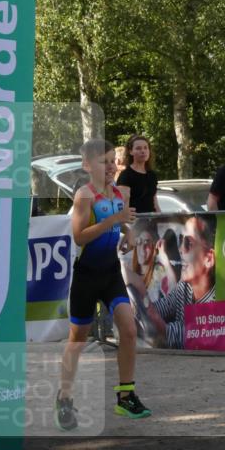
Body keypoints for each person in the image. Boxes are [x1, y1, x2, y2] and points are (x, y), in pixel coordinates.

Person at [56, 139, 149, 430]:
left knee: (129, 329)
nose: (109, 166)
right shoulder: (84, 195)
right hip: (86, 276)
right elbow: (80, 237)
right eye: (102, 161)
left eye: (112, 160)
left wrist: (128, 233)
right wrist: (115, 220)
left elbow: (123, 221)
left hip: (110, 273)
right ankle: (64, 397)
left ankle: (125, 395)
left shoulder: (122, 191)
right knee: (77, 342)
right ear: (87, 166)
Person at [147, 214, 216, 349]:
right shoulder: (185, 287)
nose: (180, 249)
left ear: (208, 259)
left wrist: (141, 297)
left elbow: (177, 334)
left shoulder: (217, 299)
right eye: (180, 240)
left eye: (188, 243)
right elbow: (163, 307)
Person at [117, 134, 159, 214]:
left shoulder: (152, 175)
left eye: (145, 148)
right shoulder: (126, 175)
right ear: (130, 151)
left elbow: (155, 202)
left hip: (152, 221)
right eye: (138, 148)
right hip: (134, 222)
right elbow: (122, 205)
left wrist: (160, 218)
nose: (143, 151)